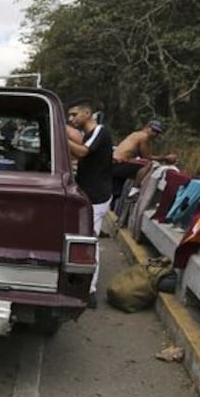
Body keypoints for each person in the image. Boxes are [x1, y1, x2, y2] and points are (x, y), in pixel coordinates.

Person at [66, 99, 113, 300]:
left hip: (97, 196)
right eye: (69, 116)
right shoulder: (87, 134)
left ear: (87, 113)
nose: (71, 118)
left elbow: (83, 152)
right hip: (88, 195)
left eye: (74, 114)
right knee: (82, 238)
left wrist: (60, 135)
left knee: (89, 241)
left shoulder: (100, 131)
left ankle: (90, 290)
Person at [112, 120, 178, 202]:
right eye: (153, 130)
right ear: (146, 127)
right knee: (147, 164)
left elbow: (141, 154)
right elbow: (147, 157)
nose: (154, 134)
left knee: (114, 192)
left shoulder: (135, 134)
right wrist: (166, 158)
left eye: (157, 132)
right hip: (119, 163)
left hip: (114, 162)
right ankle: (134, 191)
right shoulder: (144, 137)